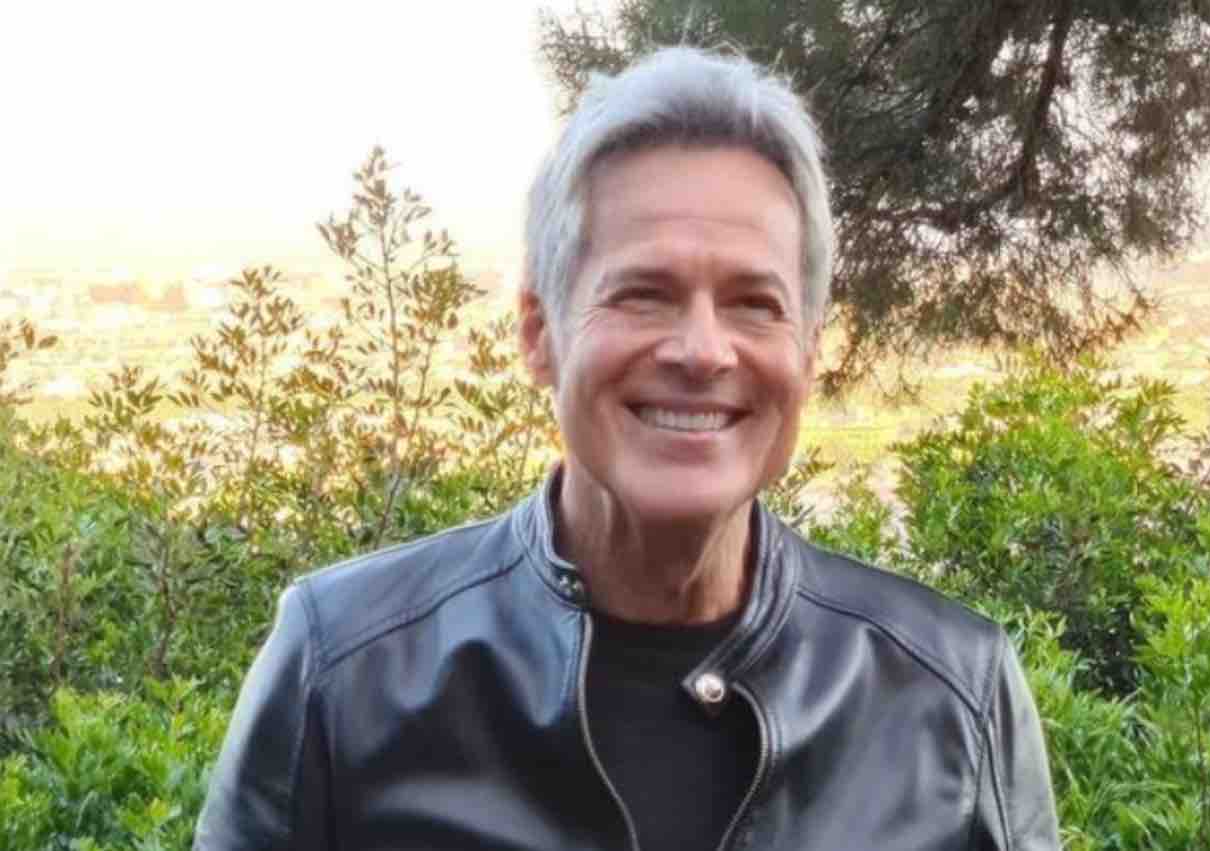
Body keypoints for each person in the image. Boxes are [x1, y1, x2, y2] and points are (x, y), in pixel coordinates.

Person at [194, 45, 1060, 850]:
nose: (703, 350)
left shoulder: (951, 699)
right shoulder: (345, 675)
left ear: (808, 351)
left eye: (754, 303)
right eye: (644, 293)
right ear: (538, 333)